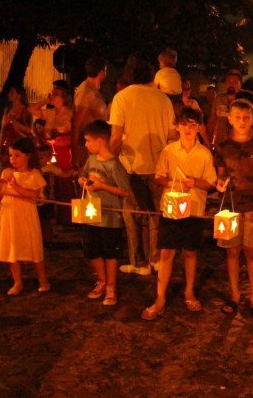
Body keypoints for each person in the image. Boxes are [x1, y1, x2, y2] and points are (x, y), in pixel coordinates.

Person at [142, 107, 217, 320]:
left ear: (198, 128)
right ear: (176, 126)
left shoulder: (204, 154)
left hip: (194, 209)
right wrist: (172, 183)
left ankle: (189, 292)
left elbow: (210, 182)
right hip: (171, 209)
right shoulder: (169, 151)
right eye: (184, 124)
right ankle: (160, 298)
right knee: (166, 252)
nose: (188, 129)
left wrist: (195, 182)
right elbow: (159, 176)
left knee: (190, 253)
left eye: (193, 125)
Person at [110, 54, 176, 276]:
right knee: (156, 214)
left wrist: (110, 158)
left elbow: (116, 138)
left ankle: (139, 263)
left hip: (131, 166)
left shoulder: (122, 98)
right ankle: (155, 259)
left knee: (133, 216)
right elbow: (172, 135)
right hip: (158, 165)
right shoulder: (163, 99)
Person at [214, 99, 253, 318]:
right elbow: (221, 175)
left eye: (246, 117)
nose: (242, 121)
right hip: (231, 208)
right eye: (237, 117)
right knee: (232, 251)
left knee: (251, 253)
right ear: (229, 119)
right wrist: (219, 183)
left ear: (252, 119)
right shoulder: (222, 147)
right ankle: (235, 295)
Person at [77, 120, 132, 306]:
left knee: (110, 252)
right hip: (90, 213)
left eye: (88, 141)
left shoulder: (114, 165)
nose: (85, 144)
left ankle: (111, 286)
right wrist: (83, 180)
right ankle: (101, 280)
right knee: (92, 249)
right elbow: (83, 174)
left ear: (100, 141)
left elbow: (125, 191)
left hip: (110, 217)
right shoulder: (92, 159)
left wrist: (102, 186)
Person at [0, 138, 50, 295]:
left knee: (33, 247)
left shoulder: (33, 174)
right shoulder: (6, 172)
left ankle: (43, 280)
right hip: (9, 214)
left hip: (26, 215)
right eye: (11, 155)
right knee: (12, 247)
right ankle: (18, 282)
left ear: (28, 156)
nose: (13, 159)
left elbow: (34, 195)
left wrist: (16, 186)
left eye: (17, 155)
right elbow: (0, 195)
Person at [72, 57, 108, 169]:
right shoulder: (85, 91)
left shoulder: (93, 90)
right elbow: (76, 123)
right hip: (88, 147)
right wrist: (75, 152)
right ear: (101, 72)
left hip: (97, 145)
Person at [0, 84, 33, 172]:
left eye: (12, 93)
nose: (9, 94)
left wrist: (14, 122)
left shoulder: (26, 111)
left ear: (19, 95)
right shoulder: (8, 109)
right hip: (7, 145)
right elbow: (3, 128)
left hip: (20, 147)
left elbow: (30, 130)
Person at [207, 69, 242, 146]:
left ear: (240, 85)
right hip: (221, 140)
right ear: (225, 84)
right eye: (229, 82)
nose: (231, 85)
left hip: (239, 141)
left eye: (235, 83)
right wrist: (208, 139)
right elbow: (212, 118)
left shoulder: (244, 98)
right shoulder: (219, 98)